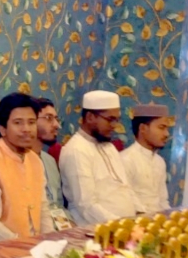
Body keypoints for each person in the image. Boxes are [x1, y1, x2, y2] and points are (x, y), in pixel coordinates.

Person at [59, 90, 142, 224]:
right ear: (90, 117)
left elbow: (126, 187)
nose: (115, 126)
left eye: (117, 120)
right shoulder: (76, 150)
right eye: (110, 119)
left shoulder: (109, 147)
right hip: (96, 230)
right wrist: (120, 225)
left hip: (124, 227)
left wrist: (141, 215)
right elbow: (86, 205)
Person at [0, 92, 47, 240]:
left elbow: (43, 209)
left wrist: (49, 242)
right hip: (1, 249)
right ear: (2, 129)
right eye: (18, 123)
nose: (26, 129)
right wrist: (22, 246)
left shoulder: (35, 160)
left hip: (35, 247)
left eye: (31, 122)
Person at [33, 97, 74, 231]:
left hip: (61, 230)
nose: (57, 125)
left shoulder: (49, 160)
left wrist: (72, 228)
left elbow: (58, 206)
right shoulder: (18, 162)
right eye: (48, 118)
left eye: (56, 119)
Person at [121, 104, 171, 214]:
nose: (167, 134)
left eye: (167, 129)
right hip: (134, 221)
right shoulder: (125, 160)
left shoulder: (160, 162)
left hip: (158, 221)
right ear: (143, 128)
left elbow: (163, 200)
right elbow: (129, 202)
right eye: (161, 127)